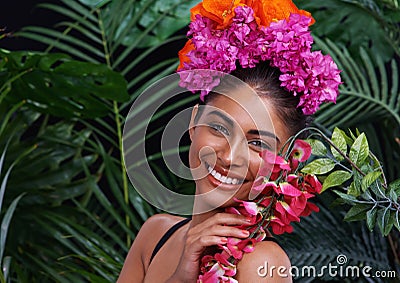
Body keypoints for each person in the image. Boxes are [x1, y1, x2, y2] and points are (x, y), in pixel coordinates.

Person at [118, 0, 340, 282]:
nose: (229, 155)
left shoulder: (262, 263)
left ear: (288, 161)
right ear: (193, 122)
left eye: (257, 143)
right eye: (219, 128)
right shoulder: (155, 235)